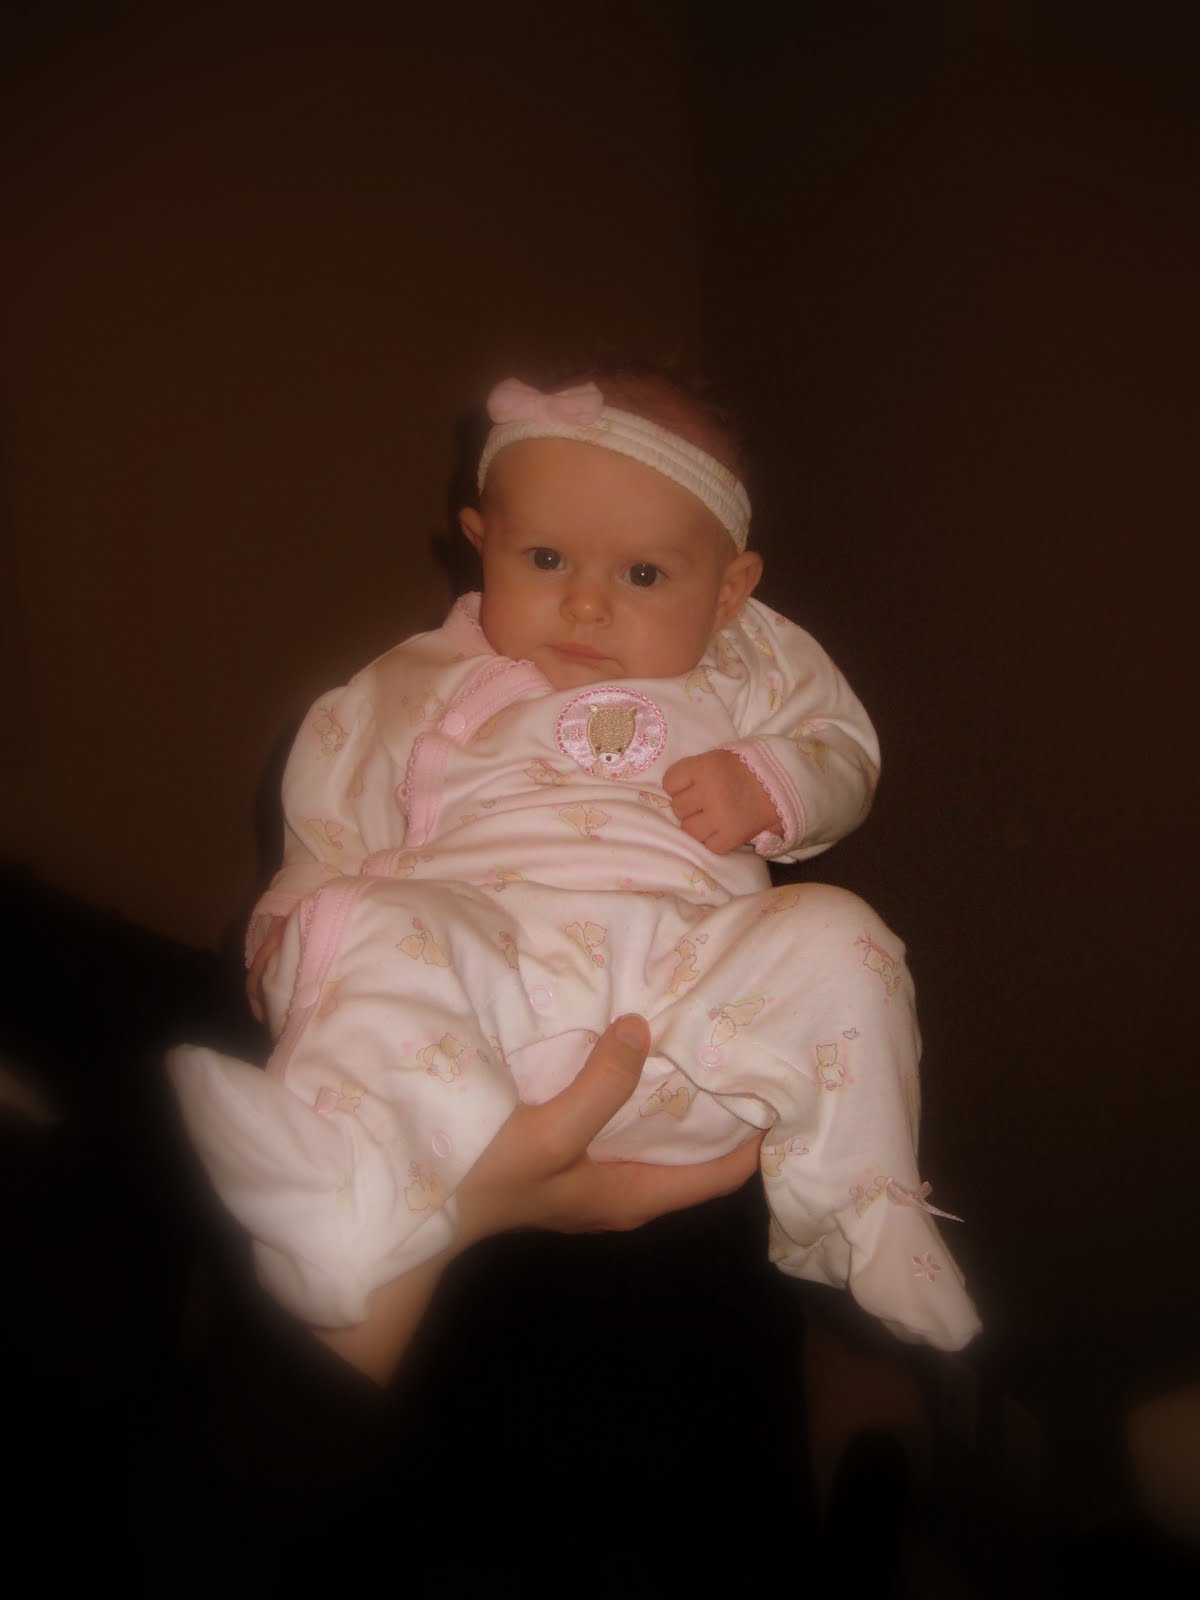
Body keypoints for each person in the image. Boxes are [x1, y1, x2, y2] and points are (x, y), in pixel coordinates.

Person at [170, 370, 980, 1359]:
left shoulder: (748, 662)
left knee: (843, 936)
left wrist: (773, 782)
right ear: (482, 543)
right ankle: (346, 1191)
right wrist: (285, 935)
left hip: (699, 1026)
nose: (586, 604)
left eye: (643, 575)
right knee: (360, 918)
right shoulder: (406, 686)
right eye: (546, 558)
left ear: (730, 590)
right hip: (483, 1024)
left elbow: (841, 749)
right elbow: (325, 826)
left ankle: (866, 1204)